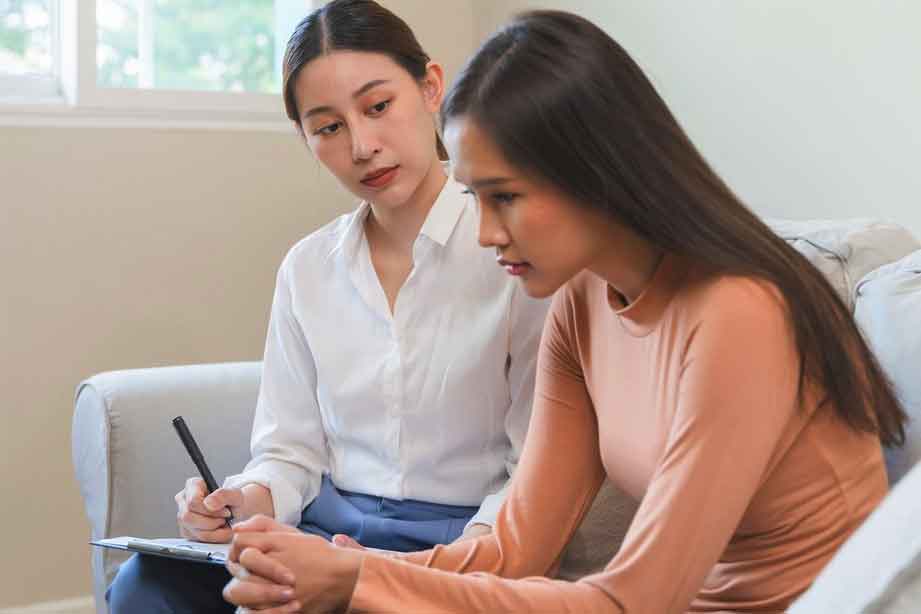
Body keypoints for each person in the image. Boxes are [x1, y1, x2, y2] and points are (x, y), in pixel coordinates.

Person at [219, 9, 908, 614]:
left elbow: (634, 600)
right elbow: (515, 547)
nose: (485, 233)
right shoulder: (580, 303)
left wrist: (358, 583)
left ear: (592, 172)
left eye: (504, 197)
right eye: (473, 197)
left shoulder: (741, 311)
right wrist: (345, 573)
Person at [105, 1, 548, 612]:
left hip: (461, 541)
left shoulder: (511, 250)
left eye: (378, 106)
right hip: (321, 533)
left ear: (430, 88)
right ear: (305, 138)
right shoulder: (307, 269)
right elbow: (289, 451)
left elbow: (535, 468)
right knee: (143, 587)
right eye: (328, 127)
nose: (362, 146)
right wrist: (246, 499)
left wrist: (417, 570)